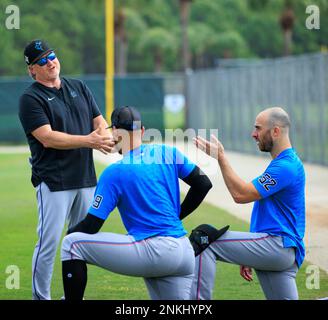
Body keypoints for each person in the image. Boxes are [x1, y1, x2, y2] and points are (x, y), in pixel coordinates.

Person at [60, 106, 213, 300]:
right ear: (141, 130)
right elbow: (204, 183)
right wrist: (176, 217)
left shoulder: (114, 172)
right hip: (183, 252)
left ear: (114, 131)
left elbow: (91, 226)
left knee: (71, 244)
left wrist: (71, 231)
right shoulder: (168, 152)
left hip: (154, 251)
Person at [18, 39, 113, 300]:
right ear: (32, 70)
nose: (50, 62)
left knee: (80, 242)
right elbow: (47, 138)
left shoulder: (78, 86)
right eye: (41, 61)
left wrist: (103, 137)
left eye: (51, 56)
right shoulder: (30, 98)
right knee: (48, 244)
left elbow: (99, 121)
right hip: (53, 181)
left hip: (84, 178)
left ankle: (72, 297)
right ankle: (41, 297)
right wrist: (90, 141)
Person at [191, 107, 306, 300]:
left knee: (204, 240)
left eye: (258, 128)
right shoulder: (284, 163)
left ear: (276, 131)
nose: (253, 134)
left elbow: (241, 194)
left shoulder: (285, 167)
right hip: (280, 250)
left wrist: (221, 158)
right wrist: (249, 253)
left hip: (277, 247)